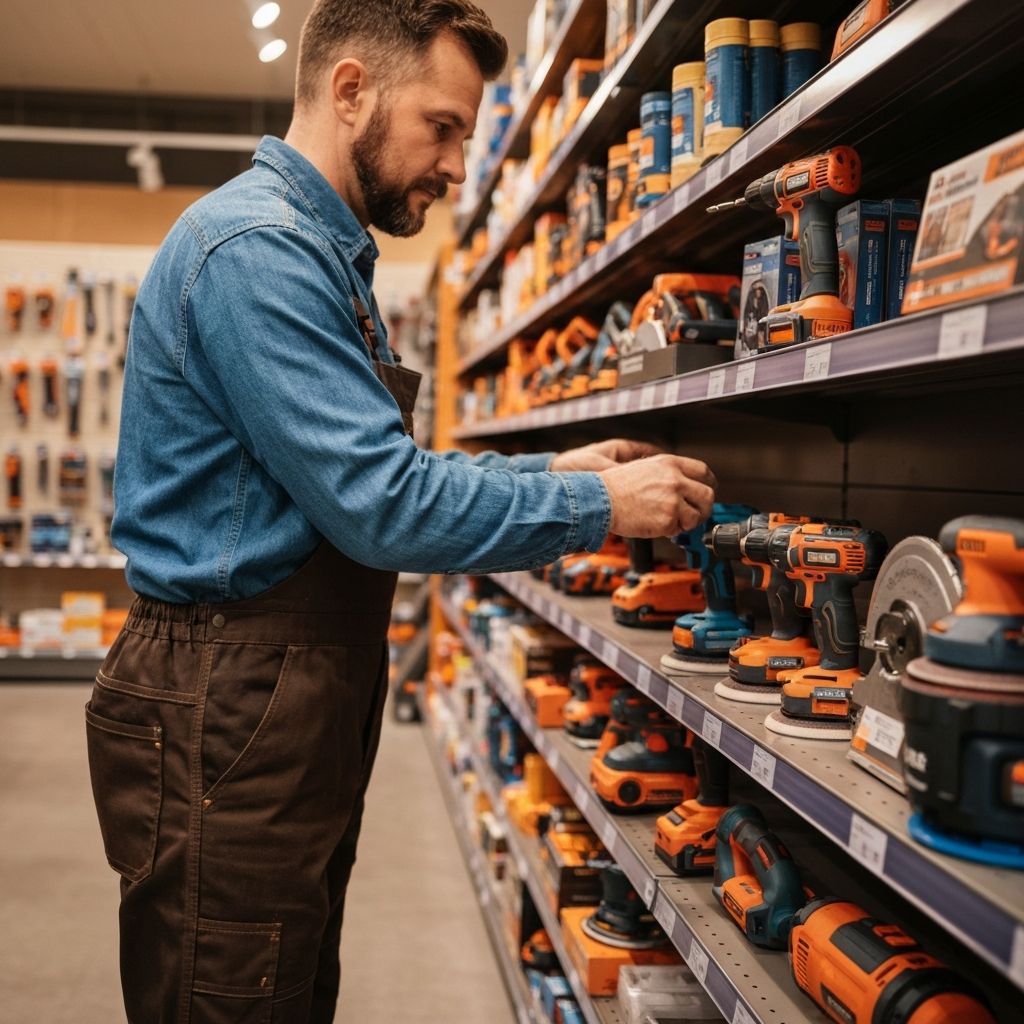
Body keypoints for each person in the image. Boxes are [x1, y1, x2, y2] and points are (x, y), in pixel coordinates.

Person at [84, 2, 717, 1021]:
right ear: (350, 91)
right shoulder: (258, 250)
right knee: (228, 989)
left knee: (277, 978)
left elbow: (366, 472)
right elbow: (383, 506)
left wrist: (550, 465)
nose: (459, 165)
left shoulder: (323, 255)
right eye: (444, 126)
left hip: (276, 689)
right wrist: (594, 502)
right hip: (229, 694)